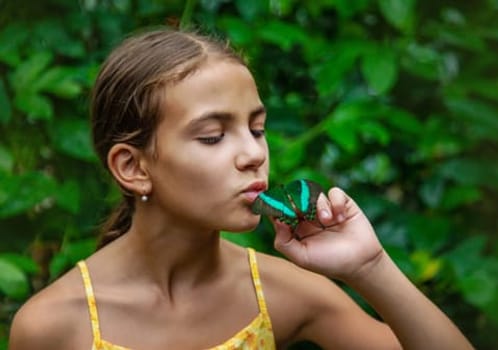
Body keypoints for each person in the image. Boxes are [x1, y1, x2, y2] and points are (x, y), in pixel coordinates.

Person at [8, 28, 473, 349]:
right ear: (132, 167)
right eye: (213, 136)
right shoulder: (55, 325)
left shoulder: (278, 293)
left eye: (257, 128)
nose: (253, 154)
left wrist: (370, 267)